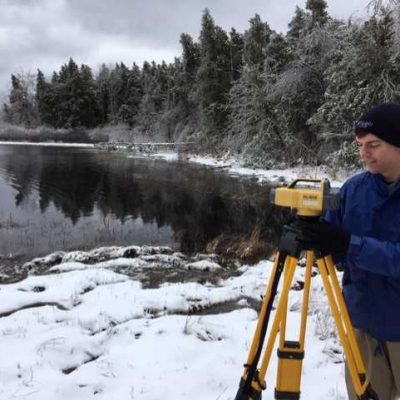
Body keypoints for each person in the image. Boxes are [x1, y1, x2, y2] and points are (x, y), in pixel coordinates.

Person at [295, 103, 400, 400]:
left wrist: (348, 243)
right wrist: (311, 234)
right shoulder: (353, 190)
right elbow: (336, 252)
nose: (364, 152)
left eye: (373, 145)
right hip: (363, 326)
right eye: (360, 145)